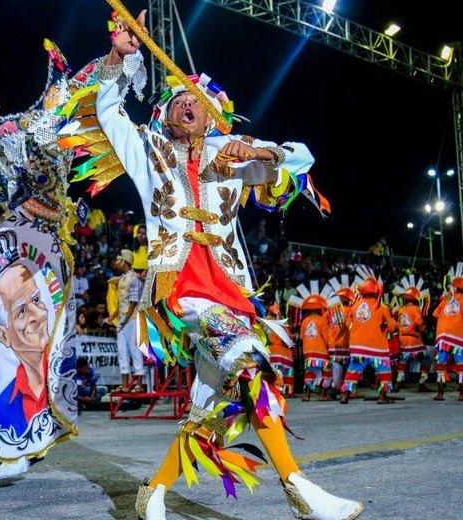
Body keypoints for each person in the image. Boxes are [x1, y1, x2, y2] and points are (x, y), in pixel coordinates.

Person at [63, 9, 360, 519]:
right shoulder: (149, 150)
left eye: (193, 101)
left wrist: (260, 147)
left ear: (210, 114)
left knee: (215, 405)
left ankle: (152, 492)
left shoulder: (230, 155)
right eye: (176, 100)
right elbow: (109, 110)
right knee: (250, 365)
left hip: (232, 291)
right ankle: (299, 489)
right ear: (165, 116)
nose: (184, 104)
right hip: (181, 287)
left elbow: (301, 158)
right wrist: (118, 56)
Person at [0, 263, 50, 435]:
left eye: (37, 300)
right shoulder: (0, 408)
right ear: (4, 336)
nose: (40, 315)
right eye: (22, 311)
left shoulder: (62, 377)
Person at [341, 271, 397, 405]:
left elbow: (348, 325)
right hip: (376, 346)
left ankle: (345, 396)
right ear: (376, 293)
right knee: (385, 371)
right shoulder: (381, 308)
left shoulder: (355, 306)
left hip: (357, 346)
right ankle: (382, 396)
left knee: (353, 371)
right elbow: (392, 327)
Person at [110, 249, 145, 393]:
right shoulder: (123, 278)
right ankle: (124, 385)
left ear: (124, 261)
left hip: (131, 319)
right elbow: (121, 303)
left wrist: (124, 321)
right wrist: (112, 317)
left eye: (118, 260)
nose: (116, 263)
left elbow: (133, 302)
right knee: (122, 351)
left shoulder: (134, 278)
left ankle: (139, 385)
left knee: (134, 350)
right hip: (122, 319)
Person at [391, 276, 429, 393]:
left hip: (402, 340)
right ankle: (422, 383)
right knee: (426, 360)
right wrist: (423, 327)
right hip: (414, 340)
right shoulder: (415, 308)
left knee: (403, 362)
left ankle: (398, 382)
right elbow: (419, 322)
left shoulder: (401, 309)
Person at [432, 263, 463, 401]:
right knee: (461, 366)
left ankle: (440, 393)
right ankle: (462, 394)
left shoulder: (446, 300)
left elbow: (434, 314)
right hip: (457, 336)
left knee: (441, 365)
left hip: (442, 337)